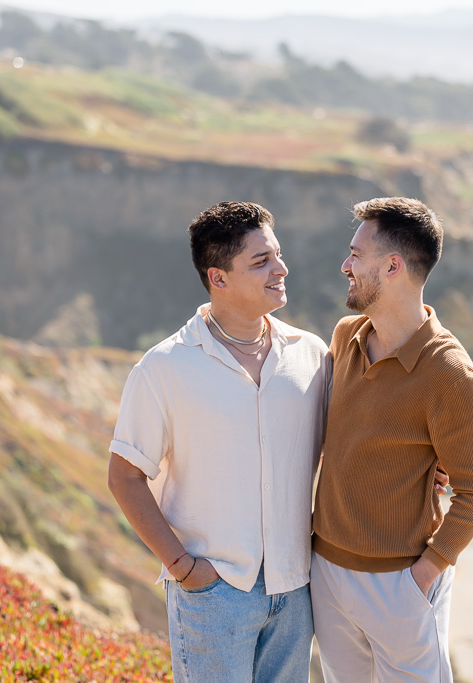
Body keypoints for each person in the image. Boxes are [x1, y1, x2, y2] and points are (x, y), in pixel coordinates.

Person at [106, 201, 330, 682]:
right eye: (261, 262)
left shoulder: (312, 355)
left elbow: (353, 439)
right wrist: (184, 568)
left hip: (296, 589)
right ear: (219, 277)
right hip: (213, 592)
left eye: (277, 254)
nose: (281, 269)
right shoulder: (165, 367)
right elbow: (124, 475)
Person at [310, 196, 473, 682]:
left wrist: (419, 578)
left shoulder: (450, 373)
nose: (344, 265)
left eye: (356, 254)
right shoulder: (345, 336)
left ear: (393, 265)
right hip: (327, 575)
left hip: (399, 585)